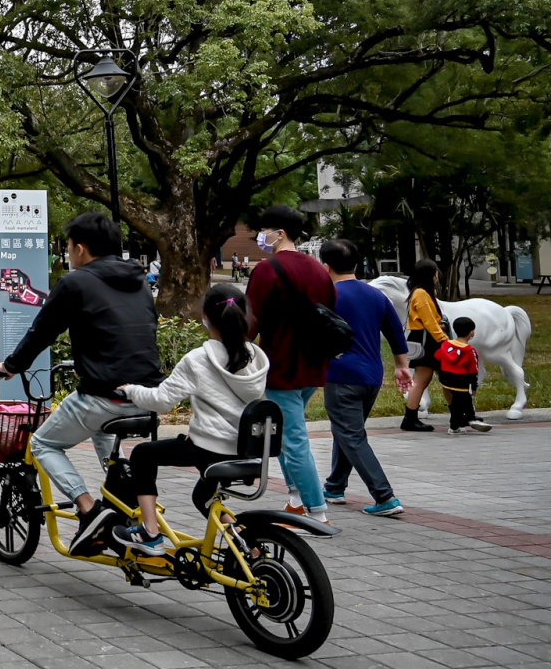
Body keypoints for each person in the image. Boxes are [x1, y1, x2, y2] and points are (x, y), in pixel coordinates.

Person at [0, 212, 162, 555]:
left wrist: (10, 366)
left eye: (68, 247)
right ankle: (125, 507)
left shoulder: (76, 282)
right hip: (149, 394)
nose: (68, 253)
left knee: (43, 445)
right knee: (104, 434)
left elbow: (42, 332)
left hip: (105, 395)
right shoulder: (139, 280)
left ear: (80, 248)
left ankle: (89, 509)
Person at [112, 284, 269, 556]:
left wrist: (132, 391)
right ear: (243, 315)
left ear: (205, 317)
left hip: (210, 449)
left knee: (141, 455)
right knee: (203, 498)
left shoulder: (198, 359)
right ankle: (252, 552)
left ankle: (150, 534)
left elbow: (162, 400)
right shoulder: (254, 357)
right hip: (247, 451)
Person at [244, 204, 334, 523]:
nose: (260, 237)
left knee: (294, 439)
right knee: (285, 433)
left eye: (263, 231)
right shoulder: (318, 270)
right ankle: (295, 497)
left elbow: (249, 323)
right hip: (314, 365)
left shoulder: (266, 270)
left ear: (279, 234)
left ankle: (316, 511)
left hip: (282, 368)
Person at [319, 238, 411, 516]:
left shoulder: (329, 296)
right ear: (356, 264)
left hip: (342, 374)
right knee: (346, 431)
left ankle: (385, 496)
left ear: (325, 267)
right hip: (372, 376)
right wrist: (402, 366)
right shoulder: (376, 295)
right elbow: (396, 332)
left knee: (351, 434)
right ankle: (335, 486)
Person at [401, 259, 449, 432]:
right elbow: (429, 323)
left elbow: (430, 319)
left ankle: (410, 418)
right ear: (429, 275)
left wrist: (440, 324)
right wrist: (445, 341)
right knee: (433, 379)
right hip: (428, 340)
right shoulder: (421, 293)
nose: (437, 276)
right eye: (435, 272)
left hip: (427, 338)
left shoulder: (424, 292)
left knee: (430, 379)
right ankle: (461, 414)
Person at [438, 317, 493, 435]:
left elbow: (438, 357)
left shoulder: (446, 344)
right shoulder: (470, 351)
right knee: (461, 402)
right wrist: (474, 387)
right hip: (460, 382)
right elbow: (473, 371)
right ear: (471, 333)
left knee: (459, 402)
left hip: (446, 379)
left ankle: (467, 419)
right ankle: (455, 426)